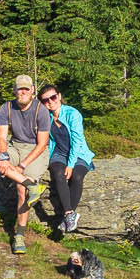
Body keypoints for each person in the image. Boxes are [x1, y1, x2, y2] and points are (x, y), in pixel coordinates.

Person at [0, 73, 51, 255]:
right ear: (14, 90)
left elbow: (42, 144)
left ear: (32, 91)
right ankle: (30, 185)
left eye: (26, 89)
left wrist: (21, 166)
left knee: (20, 190)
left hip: (35, 152)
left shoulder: (41, 111)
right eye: (19, 88)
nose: (22, 92)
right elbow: (1, 136)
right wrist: (5, 156)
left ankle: (19, 235)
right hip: (15, 147)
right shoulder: (6, 108)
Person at [40, 85, 94, 235]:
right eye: (46, 100)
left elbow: (77, 142)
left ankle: (68, 215)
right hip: (58, 153)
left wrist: (70, 165)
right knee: (58, 174)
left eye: (53, 97)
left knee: (76, 176)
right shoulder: (46, 117)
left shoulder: (72, 114)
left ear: (59, 95)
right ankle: (70, 214)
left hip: (78, 154)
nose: (51, 102)